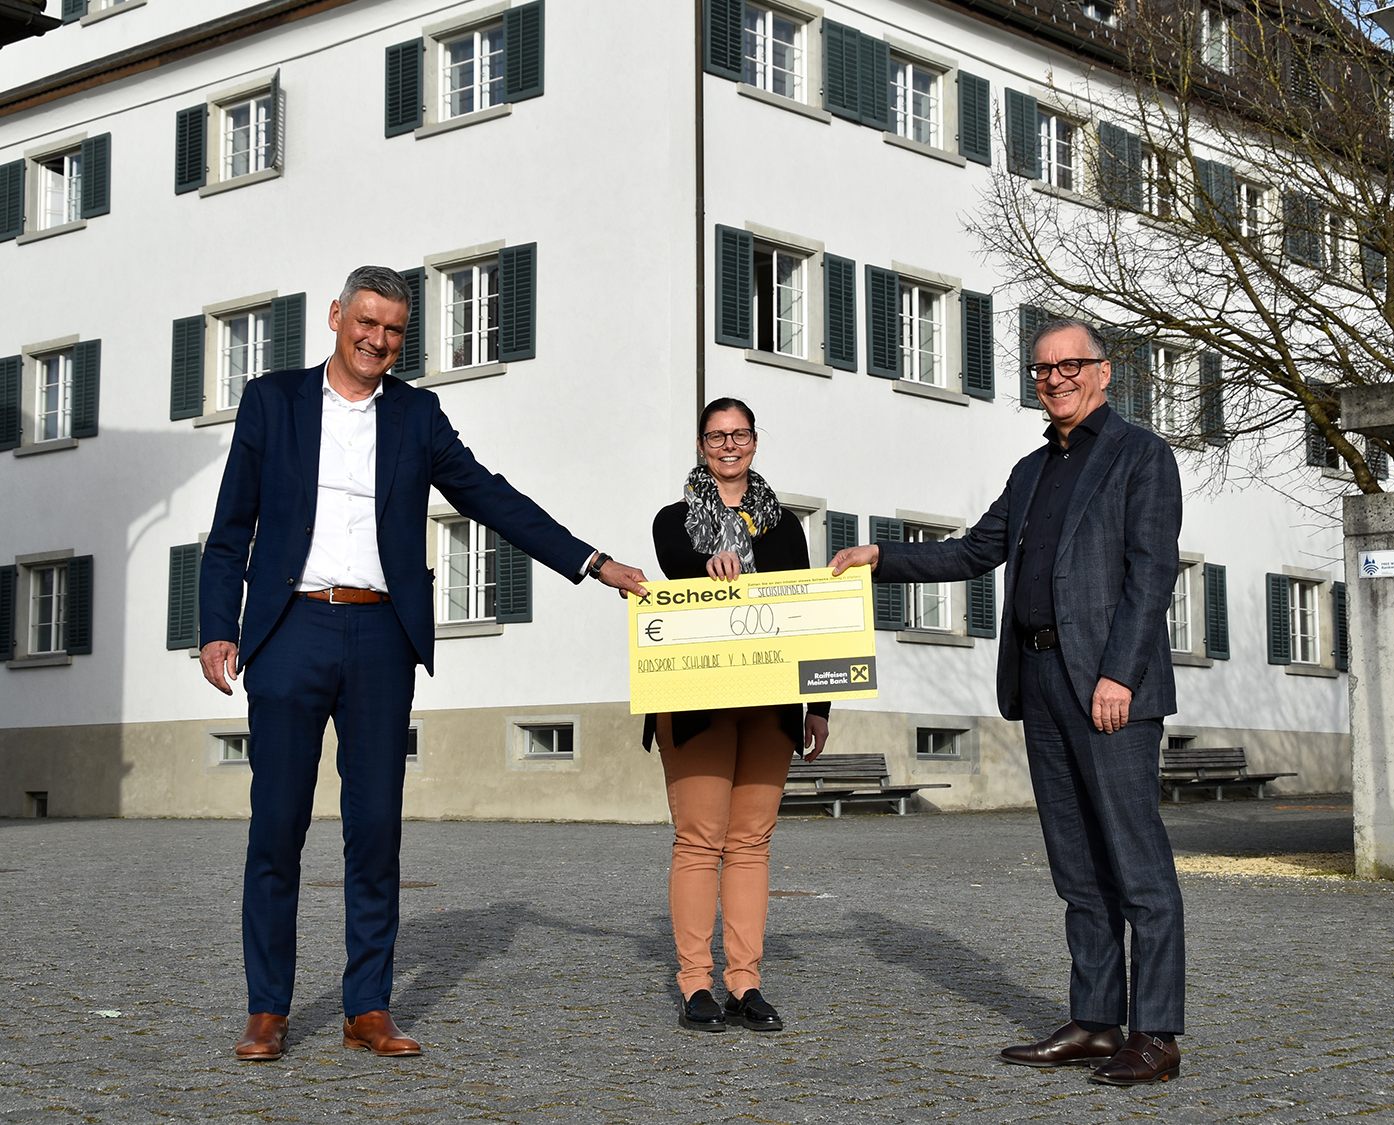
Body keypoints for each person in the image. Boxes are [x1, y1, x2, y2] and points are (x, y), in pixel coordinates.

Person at [198, 265, 648, 1062]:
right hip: (291, 629)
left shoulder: (416, 414)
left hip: (381, 635)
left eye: (393, 330)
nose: (377, 340)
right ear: (336, 316)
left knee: (375, 830)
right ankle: (267, 1008)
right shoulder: (273, 401)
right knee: (276, 827)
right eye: (366, 322)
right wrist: (215, 628)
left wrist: (592, 562)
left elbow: (489, 496)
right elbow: (231, 526)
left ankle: (367, 1005)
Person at [832, 319, 1186, 1086]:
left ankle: (1156, 1032)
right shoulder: (1032, 470)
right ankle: (1096, 1020)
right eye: (1043, 369)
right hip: (1042, 681)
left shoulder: (1141, 455)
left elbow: (1151, 572)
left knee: (1137, 864)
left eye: (1071, 364)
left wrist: (1120, 674)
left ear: (1103, 372)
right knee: (1076, 867)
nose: (1055, 378)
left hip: (1109, 687)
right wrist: (880, 556)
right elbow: (973, 550)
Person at [643, 397, 830, 1033]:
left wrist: (818, 704)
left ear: (754, 441)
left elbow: (807, 610)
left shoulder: (786, 527)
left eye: (740, 434)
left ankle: (745, 982)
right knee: (700, 840)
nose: (729, 445)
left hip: (771, 703)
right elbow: (677, 567)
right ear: (701, 445)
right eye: (717, 435)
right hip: (698, 702)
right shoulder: (674, 520)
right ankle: (695, 982)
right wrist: (709, 568)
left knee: (751, 843)